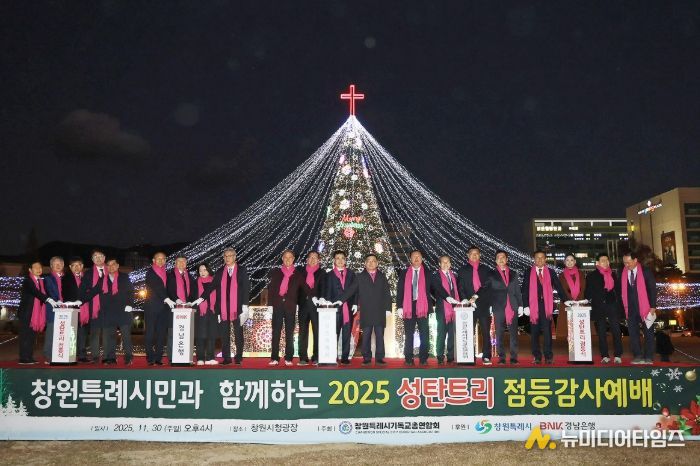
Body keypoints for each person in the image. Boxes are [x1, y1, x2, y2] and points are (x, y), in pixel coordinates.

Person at [338, 254, 391, 365]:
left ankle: (379, 358)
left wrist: (388, 309)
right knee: (366, 335)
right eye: (368, 261)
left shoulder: (382, 276)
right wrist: (340, 300)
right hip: (366, 311)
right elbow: (351, 290)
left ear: (377, 263)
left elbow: (387, 293)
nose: (371, 263)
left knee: (379, 336)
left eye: (373, 261)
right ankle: (366, 358)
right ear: (365, 263)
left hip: (380, 311)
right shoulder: (360, 276)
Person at [521, 250, 569, 364]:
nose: (540, 259)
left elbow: (558, 286)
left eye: (542, 257)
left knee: (547, 331)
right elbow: (525, 289)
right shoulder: (528, 272)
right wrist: (525, 305)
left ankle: (548, 356)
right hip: (533, 306)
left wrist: (566, 300)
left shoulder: (551, 272)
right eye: (537, 257)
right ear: (534, 259)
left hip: (546, 306)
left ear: (545, 259)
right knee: (534, 332)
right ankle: (537, 356)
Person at [210, 248, 250, 365]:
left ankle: (238, 357)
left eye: (230, 256)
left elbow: (246, 288)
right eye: (226, 256)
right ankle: (226, 358)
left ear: (235, 257)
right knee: (224, 334)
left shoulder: (242, 270)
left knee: (238, 334)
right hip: (223, 308)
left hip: (237, 308)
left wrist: (245, 306)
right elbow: (213, 288)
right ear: (224, 258)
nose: (228, 258)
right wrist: (202, 298)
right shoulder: (220, 272)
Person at [397, 250, 434, 366]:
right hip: (408, 306)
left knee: (424, 334)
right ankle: (408, 358)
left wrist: (447, 297)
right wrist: (399, 306)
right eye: (414, 257)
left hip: (423, 306)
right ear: (410, 259)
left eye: (419, 256)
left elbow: (436, 288)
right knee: (409, 334)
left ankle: (423, 358)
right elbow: (400, 290)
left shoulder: (428, 273)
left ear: (422, 258)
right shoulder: (404, 273)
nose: (416, 258)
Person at [584, 252, 623, 364]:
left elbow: (618, 290)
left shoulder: (613, 274)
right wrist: (587, 299)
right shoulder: (591, 276)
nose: (605, 262)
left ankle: (618, 355)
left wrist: (619, 304)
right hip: (599, 306)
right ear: (597, 263)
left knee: (616, 330)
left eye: (607, 260)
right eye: (602, 261)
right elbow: (588, 292)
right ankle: (605, 355)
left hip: (612, 305)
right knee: (601, 332)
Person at [457, 246, 493, 365]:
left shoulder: (486, 269)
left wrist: (476, 296)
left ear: (480, 255)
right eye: (472, 253)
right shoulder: (462, 270)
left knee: (486, 332)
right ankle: (469, 356)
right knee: (468, 332)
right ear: (468, 255)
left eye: (477, 253)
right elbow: (460, 287)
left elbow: (487, 285)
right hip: (468, 306)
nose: (474, 255)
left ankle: (486, 356)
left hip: (483, 304)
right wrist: (465, 300)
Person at [620, 251, 657, 365]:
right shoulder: (623, 273)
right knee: (633, 333)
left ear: (635, 260)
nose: (626, 265)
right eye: (624, 263)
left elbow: (652, 289)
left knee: (648, 332)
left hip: (646, 307)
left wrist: (653, 306)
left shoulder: (646, 271)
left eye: (628, 262)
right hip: (630, 308)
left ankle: (649, 356)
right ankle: (637, 355)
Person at [487, 250, 524, 365]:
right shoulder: (491, 274)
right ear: (495, 260)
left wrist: (521, 305)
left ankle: (514, 357)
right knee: (499, 333)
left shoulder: (513, 273)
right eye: (498, 257)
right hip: (498, 307)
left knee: (514, 334)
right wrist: (489, 305)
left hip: (512, 306)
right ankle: (501, 357)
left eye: (503, 257)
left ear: (507, 259)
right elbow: (488, 291)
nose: (501, 259)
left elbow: (517, 291)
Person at [268, 249, 302, 366]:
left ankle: (288, 357)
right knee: (276, 332)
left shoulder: (298, 274)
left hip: (290, 307)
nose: (288, 259)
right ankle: (274, 357)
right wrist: (270, 305)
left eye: (290, 257)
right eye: (285, 257)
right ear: (282, 259)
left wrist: (302, 302)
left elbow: (303, 290)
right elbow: (271, 289)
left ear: (293, 259)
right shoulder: (276, 272)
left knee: (289, 333)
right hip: (277, 306)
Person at [323, 250, 357, 365]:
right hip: (334, 309)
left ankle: (345, 357)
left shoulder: (351, 274)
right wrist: (328, 305)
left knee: (347, 333)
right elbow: (328, 292)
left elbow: (355, 290)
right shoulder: (329, 275)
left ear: (345, 260)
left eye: (342, 258)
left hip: (348, 308)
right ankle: (333, 356)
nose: (340, 260)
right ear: (334, 260)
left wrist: (355, 303)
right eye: (337, 258)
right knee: (334, 333)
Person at [18, 261, 56, 364]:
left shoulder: (40, 281)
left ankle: (29, 357)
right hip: (26, 313)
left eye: (40, 267)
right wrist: (48, 299)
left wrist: (53, 300)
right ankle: (23, 358)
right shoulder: (28, 281)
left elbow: (44, 293)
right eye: (36, 267)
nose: (39, 269)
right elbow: (35, 292)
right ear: (30, 270)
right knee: (25, 335)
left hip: (35, 314)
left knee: (32, 336)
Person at [101, 258, 135, 365]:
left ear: (117, 265)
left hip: (123, 311)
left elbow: (131, 292)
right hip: (109, 311)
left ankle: (128, 357)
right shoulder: (103, 279)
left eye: (113, 264)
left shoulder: (124, 277)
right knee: (110, 336)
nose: (111, 267)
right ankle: (111, 358)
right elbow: (98, 294)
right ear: (106, 267)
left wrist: (130, 305)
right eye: (109, 265)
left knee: (126, 336)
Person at [143, 251, 174, 366]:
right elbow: (157, 287)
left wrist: (174, 299)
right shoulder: (150, 272)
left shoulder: (166, 273)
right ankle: (150, 358)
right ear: (153, 260)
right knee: (150, 333)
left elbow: (169, 289)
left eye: (163, 259)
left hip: (164, 308)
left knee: (161, 334)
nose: (161, 261)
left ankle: (158, 358)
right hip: (151, 306)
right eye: (158, 259)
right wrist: (167, 299)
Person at [79, 250, 110, 364]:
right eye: (95, 257)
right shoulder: (88, 273)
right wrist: (81, 300)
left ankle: (107, 356)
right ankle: (95, 356)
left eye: (100, 256)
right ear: (92, 260)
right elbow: (83, 290)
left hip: (109, 307)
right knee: (95, 333)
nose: (98, 258)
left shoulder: (111, 270)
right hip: (93, 307)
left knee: (107, 333)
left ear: (104, 258)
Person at [166, 254, 198, 363]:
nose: (181, 263)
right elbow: (169, 290)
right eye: (179, 261)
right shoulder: (170, 275)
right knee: (172, 333)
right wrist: (176, 299)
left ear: (186, 263)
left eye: (183, 261)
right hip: (173, 308)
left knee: (185, 333)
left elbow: (193, 291)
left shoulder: (189, 276)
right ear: (175, 263)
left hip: (187, 309)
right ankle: (171, 357)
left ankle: (184, 356)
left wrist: (191, 301)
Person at [297, 251, 326, 366]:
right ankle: (303, 357)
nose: (313, 259)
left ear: (319, 260)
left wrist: (321, 299)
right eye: (310, 257)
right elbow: (297, 288)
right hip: (303, 305)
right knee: (302, 332)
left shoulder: (322, 272)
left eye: (315, 257)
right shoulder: (300, 272)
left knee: (317, 331)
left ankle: (316, 356)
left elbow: (323, 288)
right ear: (307, 260)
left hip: (316, 306)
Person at [430, 255, 461, 364]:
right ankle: (440, 355)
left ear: (450, 264)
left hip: (455, 308)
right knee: (441, 333)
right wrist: (447, 297)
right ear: (439, 264)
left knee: (452, 333)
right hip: (442, 308)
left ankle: (451, 355)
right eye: (443, 262)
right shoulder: (435, 275)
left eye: (447, 262)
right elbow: (438, 288)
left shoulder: (454, 275)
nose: (445, 264)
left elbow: (459, 289)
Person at [62, 257, 91, 362]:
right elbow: (64, 294)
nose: (76, 267)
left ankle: (82, 356)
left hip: (85, 309)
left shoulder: (86, 278)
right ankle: (71, 355)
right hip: (72, 310)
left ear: (82, 266)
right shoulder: (66, 278)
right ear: (70, 267)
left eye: (78, 265)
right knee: (72, 334)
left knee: (83, 333)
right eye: (74, 265)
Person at [42, 256, 65, 363]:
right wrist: (57, 301)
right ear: (51, 266)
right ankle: (49, 355)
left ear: (63, 265)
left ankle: (61, 356)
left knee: (62, 334)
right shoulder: (48, 278)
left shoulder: (67, 278)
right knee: (51, 333)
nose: (58, 265)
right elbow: (50, 292)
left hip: (66, 310)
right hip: (53, 309)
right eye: (55, 263)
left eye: (60, 263)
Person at [194, 263, 217, 365]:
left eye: (204, 270)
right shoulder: (195, 282)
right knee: (200, 335)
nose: (202, 272)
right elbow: (192, 297)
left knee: (211, 335)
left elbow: (219, 297)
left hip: (212, 311)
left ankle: (210, 357)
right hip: (200, 312)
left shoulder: (214, 281)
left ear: (209, 270)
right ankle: (200, 358)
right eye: (200, 270)